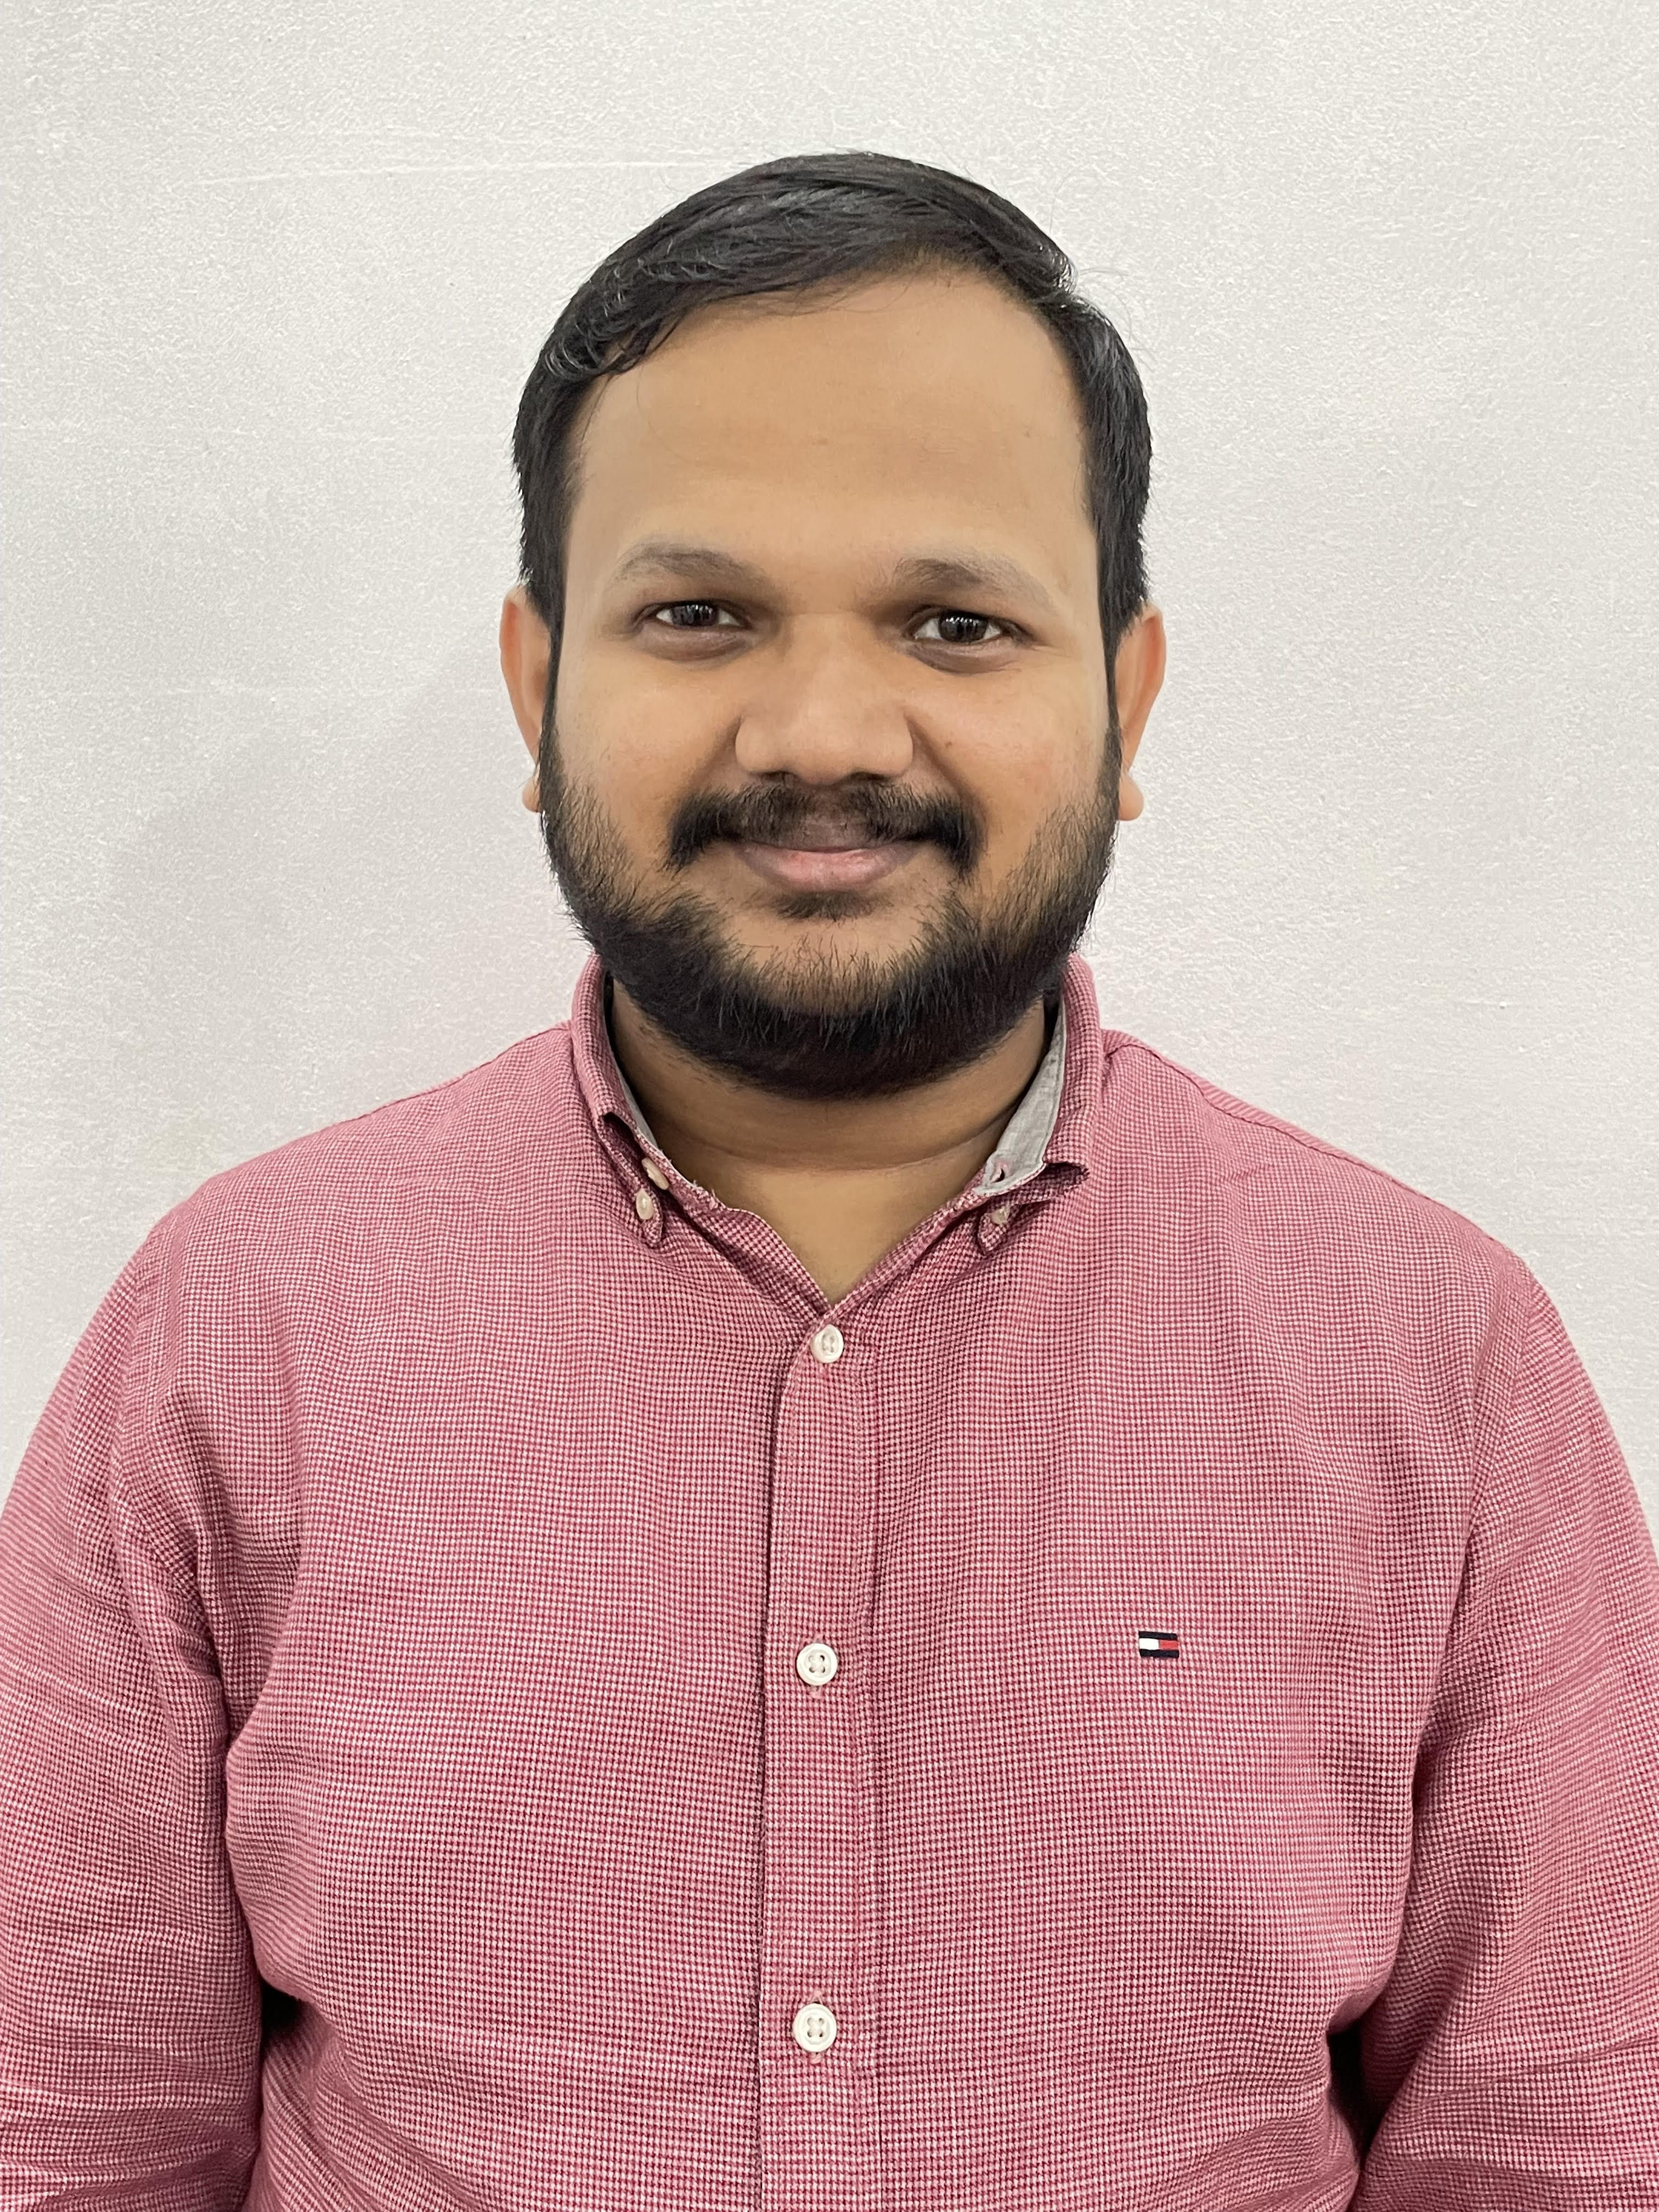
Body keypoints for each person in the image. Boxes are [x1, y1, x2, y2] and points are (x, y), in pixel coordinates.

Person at [2, 150, 1654, 2209]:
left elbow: (1563, 2154)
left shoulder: (1432, 1355)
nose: (823, 733)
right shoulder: (237, 1327)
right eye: (698, 616)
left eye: (957, 622)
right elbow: (65, 2141)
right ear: (537, 683)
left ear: (1125, 694)